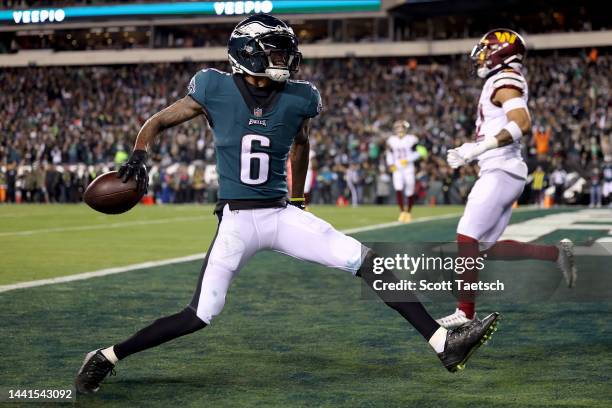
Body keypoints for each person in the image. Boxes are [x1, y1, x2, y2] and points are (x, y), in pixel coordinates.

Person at [74, 15, 500, 394]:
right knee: (200, 314)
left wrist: (298, 199)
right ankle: (107, 356)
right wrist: (140, 154)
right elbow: (158, 121)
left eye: (285, 52)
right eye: (274, 52)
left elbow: (300, 144)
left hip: (280, 213)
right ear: (247, 54)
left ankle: (443, 343)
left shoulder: (300, 97)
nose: (283, 60)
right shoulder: (213, 86)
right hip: (237, 220)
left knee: (367, 261)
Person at [436, 29, 577, 329]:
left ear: (502, 51)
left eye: (488, 49)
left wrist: (477, 148)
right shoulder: (500, 80)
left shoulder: (504, 79)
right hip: (504, 169)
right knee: (484, 247)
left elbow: (522, 122)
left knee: (466, 236)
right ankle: (556, 254)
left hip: (501, 168)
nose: (482, 55)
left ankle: (465, 314)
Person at [385, 121, 420, 222]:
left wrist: (408, 159)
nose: (400, 130)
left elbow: (418, 152)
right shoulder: (391, 140)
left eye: (402, 128)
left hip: (408, 167)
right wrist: (390, 163)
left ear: (405, 129)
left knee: (410, 188)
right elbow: (389, 153)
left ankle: (408, 212)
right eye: (398, 128)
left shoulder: (411, 139)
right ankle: (402, 212)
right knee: (398, 188)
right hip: (397, 168)